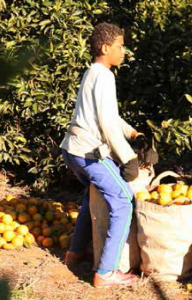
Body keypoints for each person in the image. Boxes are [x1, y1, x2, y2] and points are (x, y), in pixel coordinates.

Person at [60, 22, 145, 288]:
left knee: (93, 195)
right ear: (105, 47)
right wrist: (129, 158)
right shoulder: (104, 76)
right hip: (89, 153)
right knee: (123, 199)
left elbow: (110, 116)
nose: (123, 51)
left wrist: (133, 134)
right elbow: (106, 123)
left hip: (72, 149)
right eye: (120, 46)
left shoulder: (94, 72)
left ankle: (74, 253)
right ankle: (106, 272)